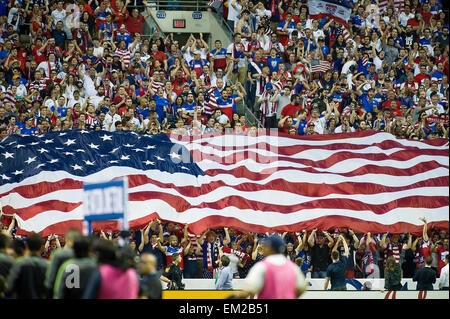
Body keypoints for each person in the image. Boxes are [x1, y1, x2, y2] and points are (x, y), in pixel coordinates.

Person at [228, 234, 307, 299]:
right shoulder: (292, 267)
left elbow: (248, 291)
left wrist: (233, 297)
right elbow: (302, 287)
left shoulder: (263, 266)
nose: (264, 248)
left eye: (266, 246)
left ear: (270, 248)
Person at [6, 233, 49, 299]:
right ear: (41, 247)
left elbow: (9, 287)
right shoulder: (47, 265)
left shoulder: (19, 263)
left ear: (27, 245)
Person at [45, 228, 81, 298]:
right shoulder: (86, 255)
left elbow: (51, 280)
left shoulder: (59, 255)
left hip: (62, 293)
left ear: (66, 239)